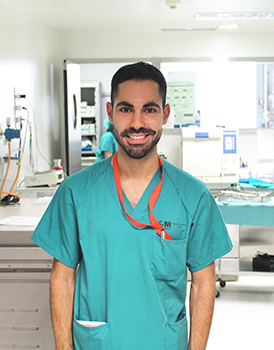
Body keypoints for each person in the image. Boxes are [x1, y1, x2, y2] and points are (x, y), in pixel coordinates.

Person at [31, 61, 232, 350]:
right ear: (111, 113)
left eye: (149, 110)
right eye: (126, 109)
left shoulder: (194, 197)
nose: (137, 123)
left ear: (165, 114)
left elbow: (202, 284)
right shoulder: (76, 192)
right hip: (99, 343)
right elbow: (62, 278)